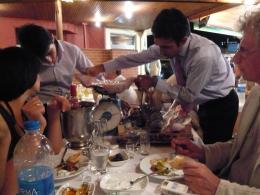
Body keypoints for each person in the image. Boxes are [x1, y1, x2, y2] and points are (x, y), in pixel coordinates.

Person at [85, 8, 238, 144]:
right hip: (204, 103)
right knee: (203, 146)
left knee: (213, 154)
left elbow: (189, 96)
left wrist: (154, 82)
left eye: (166, 47)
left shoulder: (202, 56)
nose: (162, 52)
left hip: (222, 104)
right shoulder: (165, 46)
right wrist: (101, 67)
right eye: (159, 45)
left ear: (183, 40)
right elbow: (135, 58)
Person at [172, 7, 260, 195]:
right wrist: (203, 152)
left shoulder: (203, 55)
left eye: (243, 50)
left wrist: (218, 189)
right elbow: (239, 150)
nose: (235, 58)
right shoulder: (256, 94)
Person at [0, 47, 70, 194]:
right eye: (38, 72)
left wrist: (53, 114)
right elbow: (10, 189)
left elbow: (53, 151)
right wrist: (35, 132)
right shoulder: (2, 120)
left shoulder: (27, 108)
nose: (41, 77)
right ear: (26, 74)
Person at [18, 24, 94, 103]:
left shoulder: (72, 50)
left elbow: (95, 73)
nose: (49, 60)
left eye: (49, 53)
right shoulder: (25, 61)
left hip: (67, 103)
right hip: (39, 107)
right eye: (41, 58)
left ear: (53, 37)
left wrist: (87, 77)